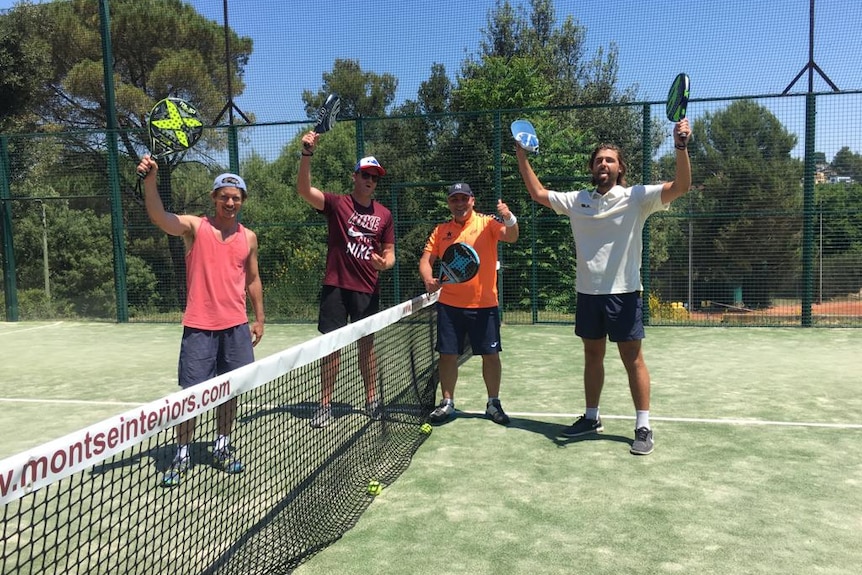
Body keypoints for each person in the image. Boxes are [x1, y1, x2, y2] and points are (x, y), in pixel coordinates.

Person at [514, 119, 692, 455]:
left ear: (620, 168)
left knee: (632, 360)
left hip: (624, 294)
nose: (604, 164)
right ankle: (592, 417)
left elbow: (682, 186)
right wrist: (522, 156)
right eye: (599, 160)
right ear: (592, 168)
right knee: (592, 356)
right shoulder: (578, 200)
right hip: (588, 294)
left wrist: (680, 147)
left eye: (610, 160)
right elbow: (537, 194)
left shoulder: (637, 198)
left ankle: (643, 425)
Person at [137, 156, 265, 486]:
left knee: (231, 391)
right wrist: (150, 181)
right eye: (225, 195)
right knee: (191, 396)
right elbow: (160, 218)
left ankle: (222, 445)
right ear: (214, 198)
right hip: (199, 328)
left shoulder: (248, 237)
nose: (230, 202)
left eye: (236, 197)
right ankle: (182, 453)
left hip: (236, 327)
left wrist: (260, 318)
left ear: (243, 201)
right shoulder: (196, 227)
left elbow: (253, 279)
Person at [297, 131, 395, 428]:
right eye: (365, 175)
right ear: (355, 176)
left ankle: (371, 399)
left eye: (375, 177)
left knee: (367, 347)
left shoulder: (384, 215)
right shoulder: (337, 204)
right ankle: (324, 405)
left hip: (367, 289)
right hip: (336, 287)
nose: (370, 181)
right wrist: (306, 154)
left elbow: (390, 253)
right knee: (331, 348)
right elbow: (304, 190)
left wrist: (384, 264)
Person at [419, 182, 520, 426]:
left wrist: (510, 218)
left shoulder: (487, 223)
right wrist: (428, 279)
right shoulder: (441, 230)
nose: (460, 203)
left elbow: (512, 237)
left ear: (472, 200)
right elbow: (426, 260)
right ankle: (447, 403)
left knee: (491, 355)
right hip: (449, 306)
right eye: (455, 199)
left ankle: (493, 403)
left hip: (484, 305)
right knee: (447, 355)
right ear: (449, 203)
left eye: (464, 198)